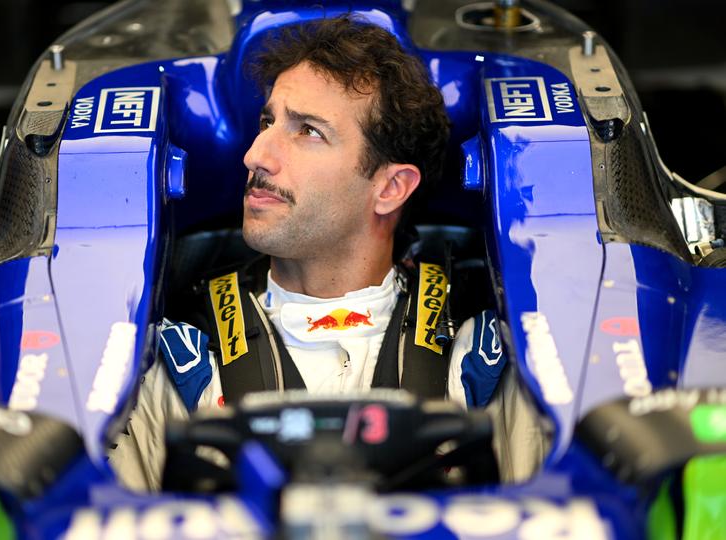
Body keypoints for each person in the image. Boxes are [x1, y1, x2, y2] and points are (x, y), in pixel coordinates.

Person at [109, 15, 548, 491]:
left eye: (308, 132)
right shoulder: (165, 368)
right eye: (267, 121)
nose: (256, 154)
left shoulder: (491, 365)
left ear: (391, 188)